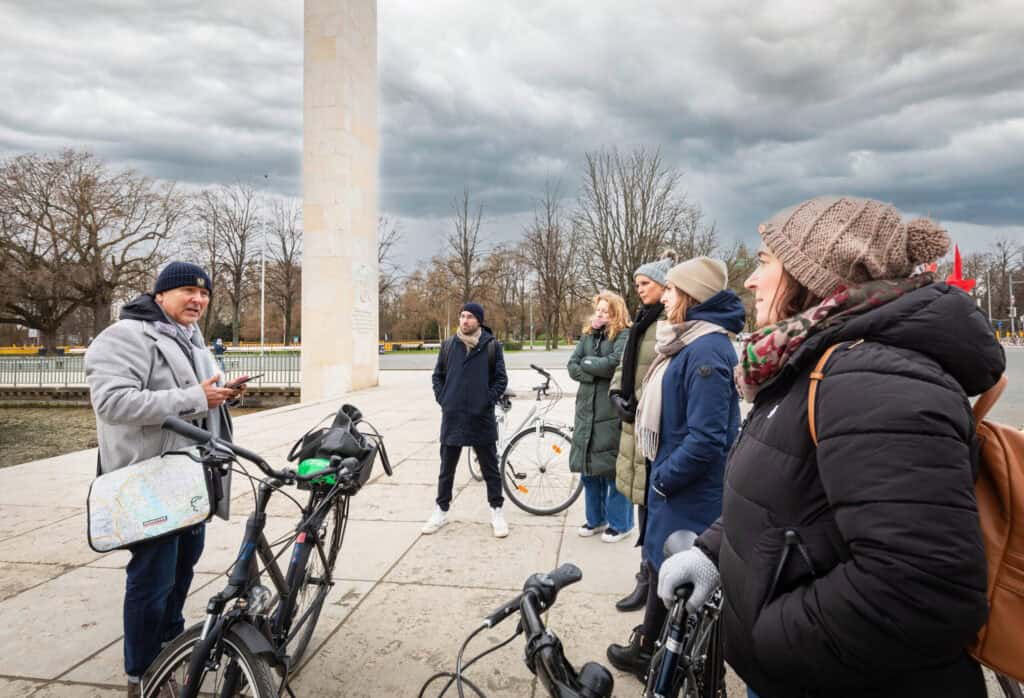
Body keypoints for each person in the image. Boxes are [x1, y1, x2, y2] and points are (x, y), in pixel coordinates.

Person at [658, 196, 1006, 698]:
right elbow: (788, 496)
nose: (751, 281)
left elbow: (923, 592)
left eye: (764, 263)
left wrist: (762, 632)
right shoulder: (814, 362)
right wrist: (713, 553)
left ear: (814, 275)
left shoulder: (875, 378)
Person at [85, 261, 243, 697]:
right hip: (148, 483)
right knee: (152, 579)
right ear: (160, 295)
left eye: (205, 293)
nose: (198, 299)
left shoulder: (192, 340)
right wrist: (198, 396)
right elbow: (113, 403)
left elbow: (195, 401)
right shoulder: (124, 336)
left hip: (190, 481)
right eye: (187, 291)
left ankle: (170, 647)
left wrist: (223, 394)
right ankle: (141, 673)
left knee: (182, 568)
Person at [607, 257, 745, 681]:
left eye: (671, 290)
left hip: (688, 494)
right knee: (663, 573)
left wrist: (663, 479)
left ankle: (692, 675)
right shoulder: (690, 341)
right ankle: (651, 651)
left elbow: (705, 439)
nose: (664, 295)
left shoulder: (706, 349)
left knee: (688, 592)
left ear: (690, 296)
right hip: (674, 488)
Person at [609, 250, 675, 611]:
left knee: (654, 507)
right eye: (636, 285)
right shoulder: (642, 321)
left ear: (666, 284)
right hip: (635, 424)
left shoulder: (668, 321)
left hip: (654, 428)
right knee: (643, 505)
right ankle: (644, 577)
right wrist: (616, 395)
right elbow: (626, 365)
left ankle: (652, 582)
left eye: (645, 284)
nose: (639, 291)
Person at [424, 302, 511, 538]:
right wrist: (444, 399)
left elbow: (501, 380)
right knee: (446, 469)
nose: (464, 320)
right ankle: (441, 510)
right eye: (462, 316)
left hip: (481, 417)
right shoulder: (448, 345)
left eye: (470, 317)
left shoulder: (492, 346)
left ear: (479, 321)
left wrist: (486, 400)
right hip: (452, 416)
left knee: (490, 469)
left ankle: (497, 511)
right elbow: (437, 376)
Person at [568, 290, 633, 542]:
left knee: (612, 470)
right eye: (598, 310)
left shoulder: (624, 334)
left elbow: (614, 363)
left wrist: (588, 364)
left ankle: (621, 524)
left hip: (608, 409)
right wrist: (592, 367)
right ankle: (596, 519)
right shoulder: (588, 334)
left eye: (606, 311)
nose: (600, 314)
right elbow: (572, 365)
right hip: (586, 411)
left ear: (616, 313)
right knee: (589, 469)